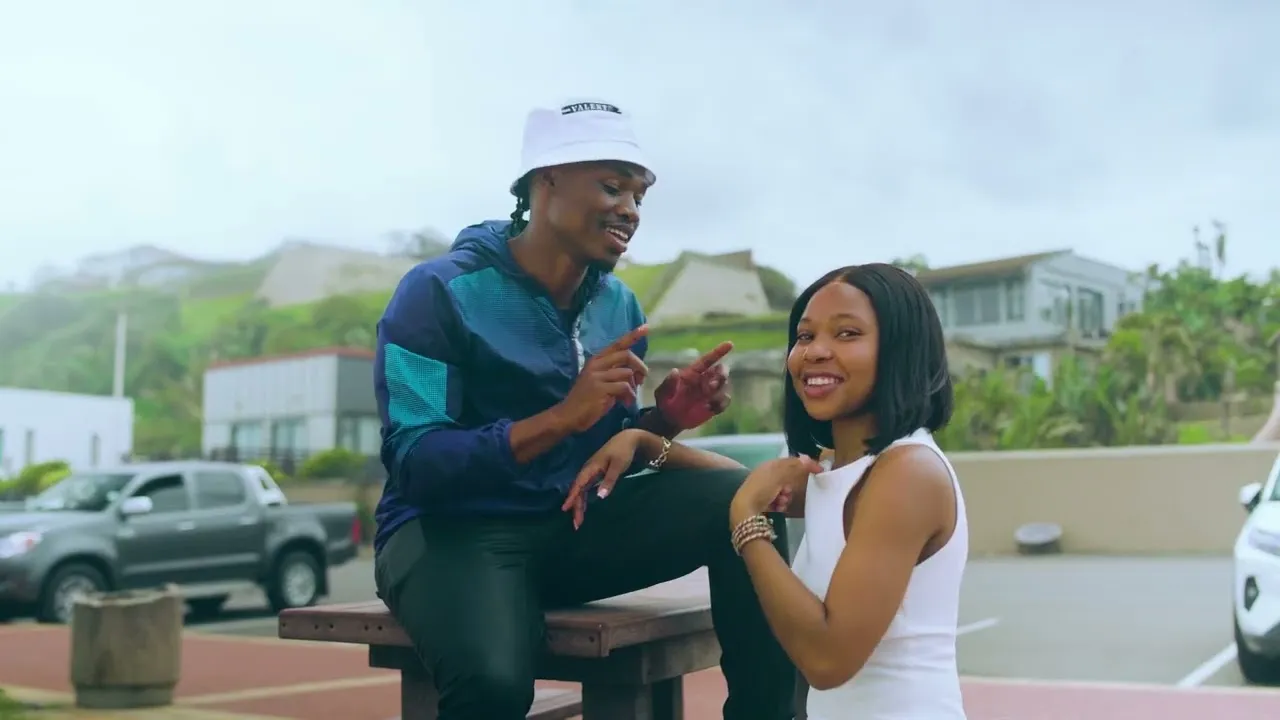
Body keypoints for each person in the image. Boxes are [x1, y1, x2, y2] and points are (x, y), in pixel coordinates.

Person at [371, 98, 796, 720]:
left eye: (639, 196)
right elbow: (415, 461)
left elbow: (602, 454)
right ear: (545, 181)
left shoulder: (618, 307)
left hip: (571, 527)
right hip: (450, 533)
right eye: (612, 187)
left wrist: (665, 420)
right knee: (493, 685)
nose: (630, 209)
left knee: (744, 500)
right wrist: (559, 418)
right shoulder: (436, 292)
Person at [576, 263, 965, 719]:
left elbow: (827, 660)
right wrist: (649, 445)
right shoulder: (851, 469)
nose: (815, 351)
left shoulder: (906, 474)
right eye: (805, 336)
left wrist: (747, 525)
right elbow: (750, 479)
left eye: (847, 334)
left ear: (902, 350)